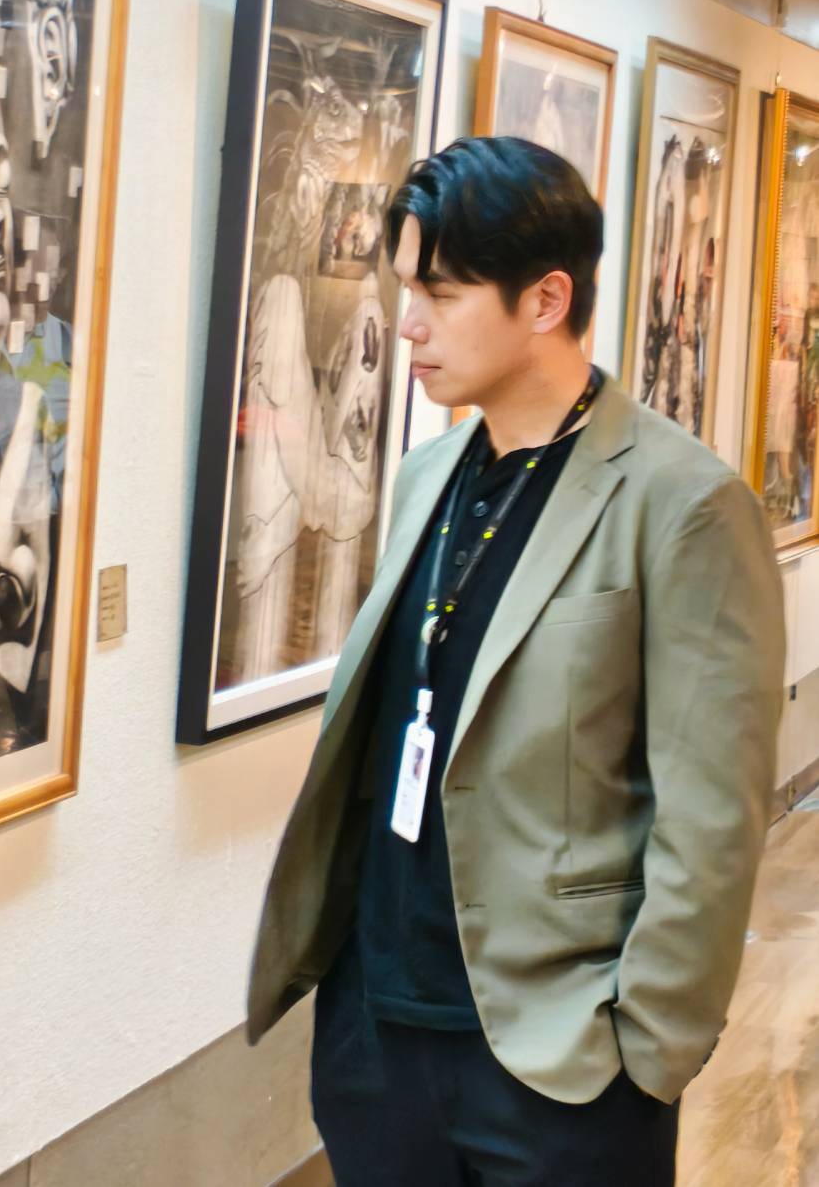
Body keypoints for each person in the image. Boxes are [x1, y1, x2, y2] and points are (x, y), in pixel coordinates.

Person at [247, 136, 785, 1186]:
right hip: (378, 1042)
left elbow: (712, 816)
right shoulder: (427, 477)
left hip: (557, 1068)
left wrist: (646, 1054)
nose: (408, 322)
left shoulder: (682, 504)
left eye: (440, 293)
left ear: (545, 299)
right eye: (407, 287)